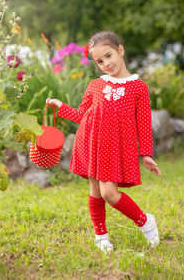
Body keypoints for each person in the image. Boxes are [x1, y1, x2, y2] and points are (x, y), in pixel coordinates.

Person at [46, 30, 162, 254]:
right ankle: (101, 236)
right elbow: (83, 115)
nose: (105, 64)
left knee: (109, 193)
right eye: (99, 61)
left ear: (120, 50)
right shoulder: (95, 85)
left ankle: (145, 221)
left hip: (115, 148)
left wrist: (145, 154)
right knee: (95, 190)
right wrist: (61, 107)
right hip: (91, 143)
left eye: (108, 56)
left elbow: (144, 123)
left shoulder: (139, 88)